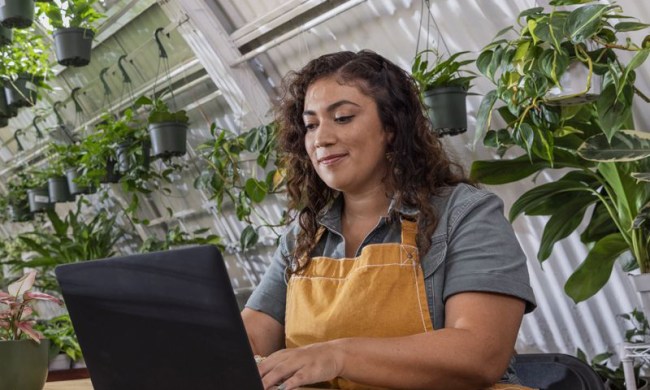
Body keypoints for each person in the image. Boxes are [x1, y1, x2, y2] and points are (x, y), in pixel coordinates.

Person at [242, 50, 536, 390]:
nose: (321, 138)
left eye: (342, 118)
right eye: (311, 125)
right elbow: (250, 337)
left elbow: (480, 353)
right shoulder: (303, 237)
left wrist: (336, 356)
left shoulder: (464, 214)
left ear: (392, 127)